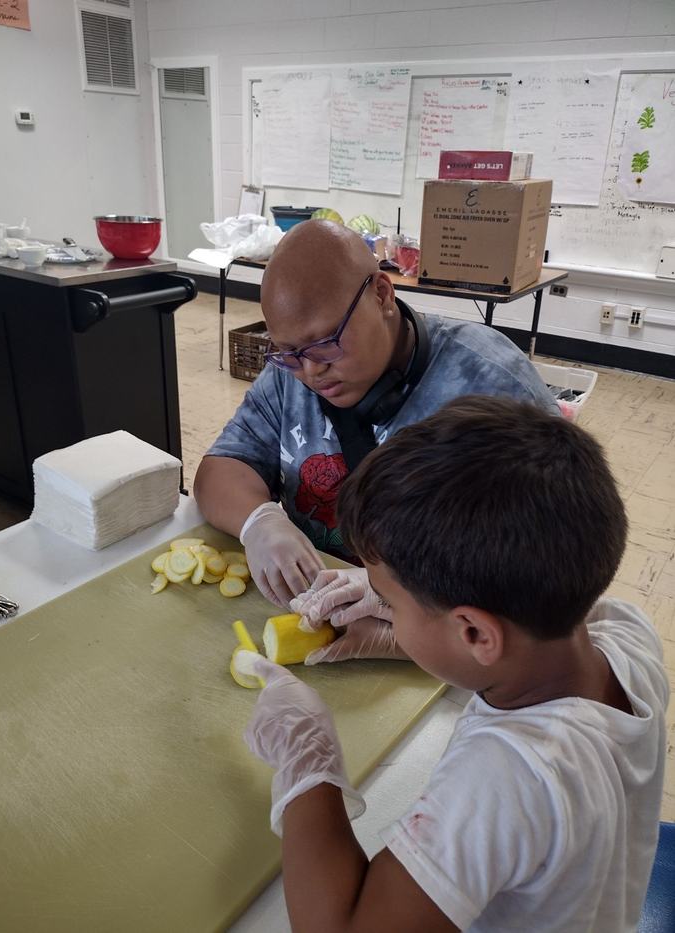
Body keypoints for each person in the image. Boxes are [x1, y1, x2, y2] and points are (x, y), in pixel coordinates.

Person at [234, 396, 668, 933]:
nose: (380, 603)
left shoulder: (506, 776)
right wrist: (395, 616)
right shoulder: (626, 632)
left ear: (474, 633)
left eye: (389, 601)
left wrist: (308, 765)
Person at [194, 220, 560, 617]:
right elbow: (220, 470)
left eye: (326, 344)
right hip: (324, 606)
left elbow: (549, 563)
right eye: (288, 353)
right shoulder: (293, 372)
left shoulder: (491, 384)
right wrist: (259, 522)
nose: (311, 372)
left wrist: (405, 617)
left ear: (382, 295)